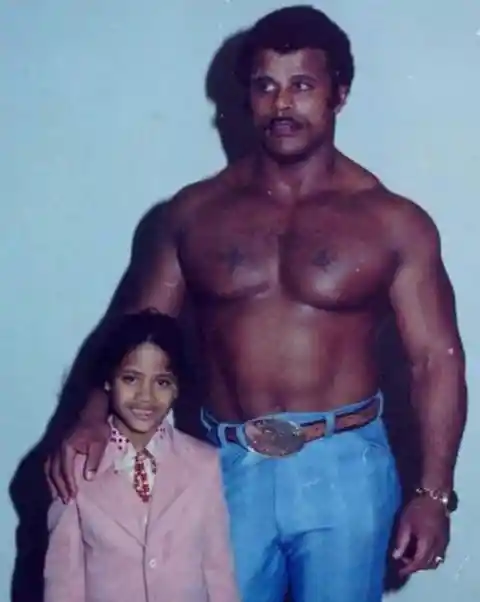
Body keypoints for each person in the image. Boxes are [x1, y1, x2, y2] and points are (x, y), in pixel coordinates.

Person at [47, 5, 467, 602]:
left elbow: (437, 360)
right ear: (246, 97)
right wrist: (91, 417)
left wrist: (433, 494)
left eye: (302, 85)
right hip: (224, 467)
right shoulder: (194, 214)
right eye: (266, 86)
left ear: (339, 95)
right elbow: (140, 331)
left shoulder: (393, 222)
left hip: (345, 469)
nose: (282, 104)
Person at [44, 310, 239, 602]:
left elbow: (218, 571)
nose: (145, 396)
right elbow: (64, 583)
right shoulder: (73, 467)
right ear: (108, 381)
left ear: (177, 388)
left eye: (161, 382)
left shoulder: (204, 464)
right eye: (131, 379)